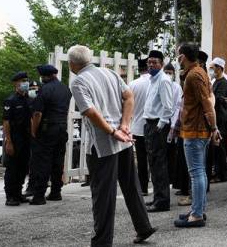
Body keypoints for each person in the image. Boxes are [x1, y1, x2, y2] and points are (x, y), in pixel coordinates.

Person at [68, 45, 156, 246]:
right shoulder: (109, 73)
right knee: (131, 186)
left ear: (73, 64)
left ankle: (102, 241)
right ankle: (143, 227)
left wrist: (112, 131)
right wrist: (124, 125)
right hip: (123, 140)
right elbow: (128, 97)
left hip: (102, 144)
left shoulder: (79, 81)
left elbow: (90, 112)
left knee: (103, 194)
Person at [174, 42, 220, 228]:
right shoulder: (199, 72)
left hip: (195, 130)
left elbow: (208, 103)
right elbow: (209, 100)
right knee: (199, 172)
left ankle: (197, 214)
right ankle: (197, 209)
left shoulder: (194, 75)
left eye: (179, 55)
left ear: (183, 56)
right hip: (198, 129)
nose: (177, 59)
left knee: (196, 173)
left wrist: (215, 127)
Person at [29, 64, 72, 205]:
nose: (41, 79)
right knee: (58, 162)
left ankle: (39, 196)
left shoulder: (45, 90)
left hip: (47, 129)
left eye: (42, 77)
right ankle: (55, 192)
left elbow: (37, 113)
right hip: (62, 128)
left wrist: (34, 131)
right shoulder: (66, 89)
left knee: (43, 162)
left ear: (46, 76)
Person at [143, 50, 174, 213]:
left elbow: (168, 107)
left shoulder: (163, 80)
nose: (151, 65)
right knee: (153, 163)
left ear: (161, 64)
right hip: (149, 124)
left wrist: (159, 127)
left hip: (157, 126)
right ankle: (157, 197)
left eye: (154, 62)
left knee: (159, 163)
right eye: (149, 62)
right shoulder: (152, 80)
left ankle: (162, 201)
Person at [2, 71, 32, 206]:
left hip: (26, 139)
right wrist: (8, 141)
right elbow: (6, 122)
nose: (25, 83)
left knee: (23, 167)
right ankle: (10, 196)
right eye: (22, 81)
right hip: (14, 138)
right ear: (16, 83)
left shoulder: (29, 99)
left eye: (26, 80)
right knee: (12, 168)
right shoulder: (11, 100)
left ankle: (18, 193)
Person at [128, 59, 150, 196]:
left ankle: (143, 187)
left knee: (141, 159)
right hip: (152, 125)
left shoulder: (132, 84)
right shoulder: (154, 82)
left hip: (137, 126)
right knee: (154, 158)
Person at [208, 57, 227, 183]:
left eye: (213, 68)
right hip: (216, 117)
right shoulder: (215, 81)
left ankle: (222, 174)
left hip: (220, 118)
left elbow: (218, 99)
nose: (211, 70)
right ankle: (218, 172)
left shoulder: (223, 82)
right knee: (216, 148)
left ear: (219, 68)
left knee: (219, 147)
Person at [163, 63, 183, 193]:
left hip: (171, 120)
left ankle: (171, 176)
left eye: (170, 72)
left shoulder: (176, 87)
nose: (168, 74)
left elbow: (177, 106)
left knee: (171, 152)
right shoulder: (160, 84)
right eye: (166, 72)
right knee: (162, 152)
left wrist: (173, 125)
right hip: (161, 120)